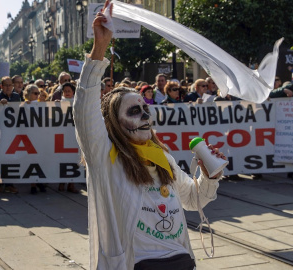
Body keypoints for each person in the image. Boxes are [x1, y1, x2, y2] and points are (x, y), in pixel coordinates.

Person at [74, 3, 225, 269]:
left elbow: (192, 200)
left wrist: (209, 178)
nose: (145, 116)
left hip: (180, 261)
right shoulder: (105, 158)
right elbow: (84, 108)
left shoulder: (161, 156)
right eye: (134, 111)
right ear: (115, 124)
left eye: (145, 109)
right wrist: (99, 50)